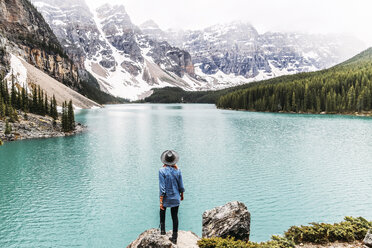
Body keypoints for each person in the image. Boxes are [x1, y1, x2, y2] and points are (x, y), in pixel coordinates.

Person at [159, 150, 185, 244]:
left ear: (164, 161)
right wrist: (181, 195)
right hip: (175, 197)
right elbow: (181, 185)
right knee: (175, 216)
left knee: (162, 211)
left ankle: (162, 231)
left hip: (166, 197)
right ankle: (174, 238)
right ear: (174, 160)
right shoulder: (178, 170)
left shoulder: (161, 171)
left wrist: (161, 201)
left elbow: (162, 187)